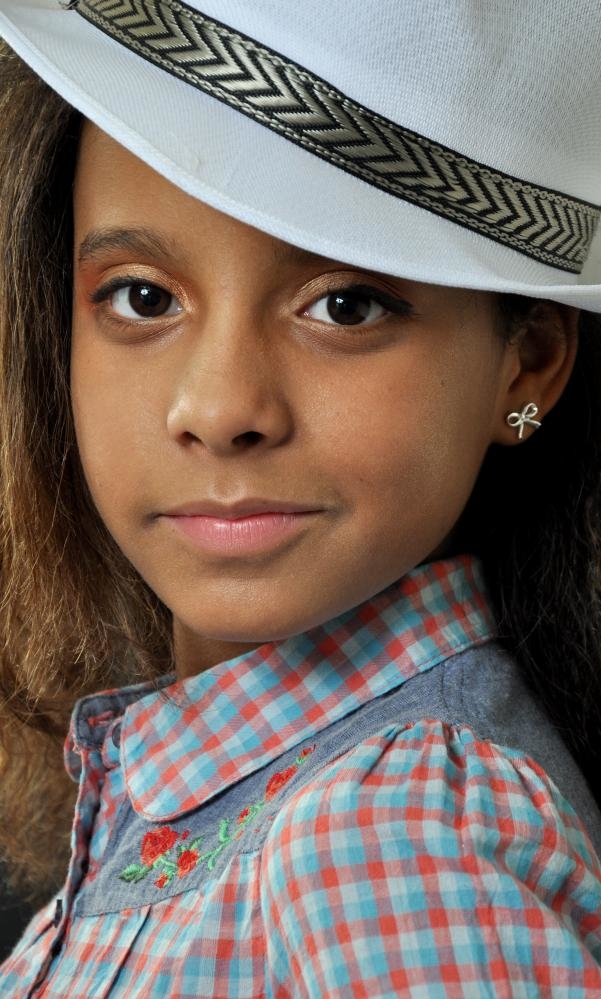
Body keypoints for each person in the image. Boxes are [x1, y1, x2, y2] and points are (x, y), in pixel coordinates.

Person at [1, 0, 601, 994]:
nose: (219, 408)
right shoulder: (216, 803)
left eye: (345, 305)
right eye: (143, 297)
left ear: (524, 367)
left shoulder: (391, 832)